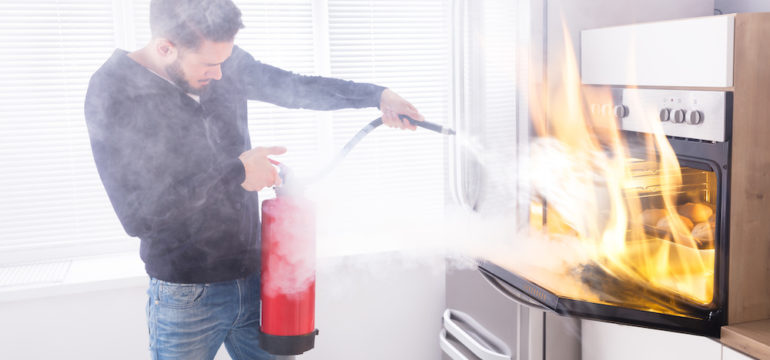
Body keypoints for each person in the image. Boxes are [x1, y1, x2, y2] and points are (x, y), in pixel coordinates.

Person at [83, 0, 424, 359]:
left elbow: (294, 88)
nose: (220, 74)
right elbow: (140, 215)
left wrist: (378, 97)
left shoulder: (222, 61)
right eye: (209, 65)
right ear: (166, 47)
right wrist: (238, 174)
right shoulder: (113, 90)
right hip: (187, 296)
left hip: (256, 282)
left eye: (224, 62)